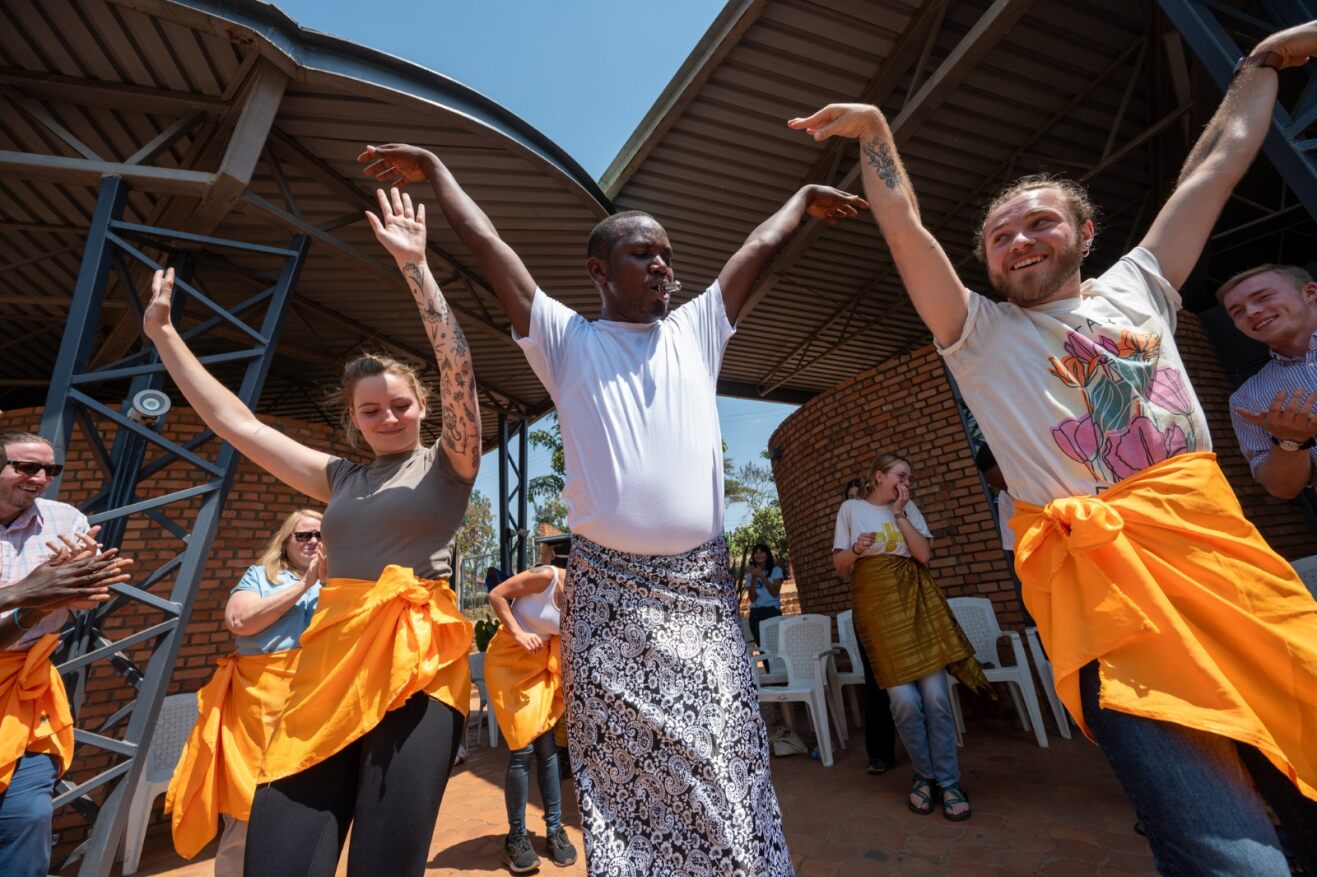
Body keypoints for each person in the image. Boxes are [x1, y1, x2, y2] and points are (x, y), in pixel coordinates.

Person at [793, 19, 1317, 871]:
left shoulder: (1139, 286)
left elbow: (1216, 162)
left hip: (1233, 579)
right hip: (1111, 611)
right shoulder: (977, 332)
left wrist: (1259, 62)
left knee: (1306, 806)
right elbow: (905, 232)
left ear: (1084, 234)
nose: (1017, 240)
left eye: (1037, 224)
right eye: (999, 236)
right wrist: (877, 136)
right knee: (1228, 853)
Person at [359, 142, 867, 876]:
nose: (663, 266)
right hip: (609, 595)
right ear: (599, 271)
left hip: (699, 594)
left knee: (724, 756)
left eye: (667, 255)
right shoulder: (567, 342)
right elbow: (490, 245)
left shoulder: (696, 331)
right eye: (643, 254)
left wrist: (803, 202)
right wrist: (439, 172)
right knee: (623, 770)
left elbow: (757, 248)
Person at [143, 185, 480, 877]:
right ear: (352, 418)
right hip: (325, 663)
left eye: (399, 404)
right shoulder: (340, 478)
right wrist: (164, 337)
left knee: (384, 864)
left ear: (421, 407)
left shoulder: (450, 464)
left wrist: (416, 268)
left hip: (415, 667)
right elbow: (238, 423)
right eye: (370, 409)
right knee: (279, 854)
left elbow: (460, 370)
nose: (386, 416)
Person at [0, 433, 132, 877]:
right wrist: (29, 593)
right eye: (25, 467)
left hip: (26, 690)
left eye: (50, 471)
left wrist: (91, 581)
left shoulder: (64, 520)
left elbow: (88, 586)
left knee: (28, 815)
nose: (39, 479)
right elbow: (37, 595)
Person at [165, 509, 324, 876]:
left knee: (307, 805)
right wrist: (305, 586)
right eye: (303, 535)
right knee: (247, 804)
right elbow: (238, 620)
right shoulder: (261, 575)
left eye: (319, 535)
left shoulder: (340, 580)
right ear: (286, 541)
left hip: (314, 701)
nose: (313, 541)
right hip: (258, 705)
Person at [832, 452, 990, 820]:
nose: (907, 482)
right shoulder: (851, 509)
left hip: (916, 605)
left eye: (910, 476)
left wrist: (900, 513)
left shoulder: (909, 508)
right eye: (901, 475)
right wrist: (855, 550)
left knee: (935, 697)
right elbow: (839, 567)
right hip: (877, 611)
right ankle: (925, 774)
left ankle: (948, 780)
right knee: (904, 701)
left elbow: (923, 555)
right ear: (879, 476)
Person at [484, 541, 577, 873]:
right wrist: (519, 632)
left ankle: (554, 830)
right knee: (522, 749)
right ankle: (517, 837)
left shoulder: (586, 599)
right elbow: (497, 596)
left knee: (548, 747)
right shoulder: (545, 576)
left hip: (540, 666)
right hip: (509, 659)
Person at [1221, 264, 1317, 499]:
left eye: (1263, 297)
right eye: (1237, 312)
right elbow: (1281, 489)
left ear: (1310, 293)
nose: (1251, 311)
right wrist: (1289, 441)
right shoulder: (1247, 399)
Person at [835, 480, 897, 777]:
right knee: (877, 680)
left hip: (904, 603)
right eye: (850, 497)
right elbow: (843, 570)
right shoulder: (849, 515)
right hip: (870, 607)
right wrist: (858, 550)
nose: (855, 501)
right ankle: (880, 751)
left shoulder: (900, 511)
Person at [745, 542, 784, 642]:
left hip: (771, 611)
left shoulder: (776, 570)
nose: (758, 555)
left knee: (776, 647)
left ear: (767, 554)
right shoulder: (750, 575)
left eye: (762, 552)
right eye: (756, 553)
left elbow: (775, 592)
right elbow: (752, 598)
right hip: (755, 613)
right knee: (763, 649)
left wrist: (761, 576)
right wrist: (754, 577)